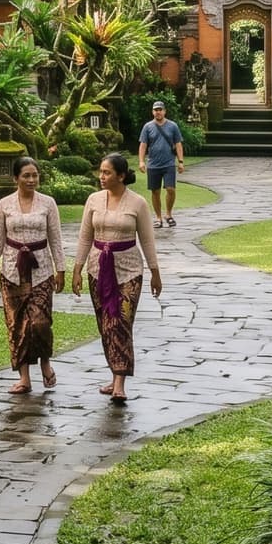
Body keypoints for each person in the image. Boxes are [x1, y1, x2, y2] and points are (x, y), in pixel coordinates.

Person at [72, 153, 162, 403]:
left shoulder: (138, 203)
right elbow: (84, 237)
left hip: (129, 269)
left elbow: (147, 240)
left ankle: (120, 380)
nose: (101, 177)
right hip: (98, 268)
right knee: (105, 323)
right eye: (100, 172)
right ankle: (114, 373)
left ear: (121, 176)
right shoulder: (93, 200)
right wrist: (77, 269)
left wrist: (155, 272)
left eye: (107, 172)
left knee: (121, 321)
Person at [0, 155, 64, 394]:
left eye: (35, 175)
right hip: (11, 269)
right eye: (26, 175)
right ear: (16, 178)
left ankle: (45, 363)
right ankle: (24, 377)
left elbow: (56, 238)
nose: (31, 180)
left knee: (39, 322)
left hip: (41, 270)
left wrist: (61, 270)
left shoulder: (48, 203)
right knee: (17, 324)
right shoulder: (4, 205)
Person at [138, 99, 187, 227]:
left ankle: (169, 214)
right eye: (156, 110)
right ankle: (158, 217)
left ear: (164, 111)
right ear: (152, 112)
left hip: (169, 163)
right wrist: (141, 161)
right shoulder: (147, 127)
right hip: (153, 164)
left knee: (170, 189)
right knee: (155, 191)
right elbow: (143, 145)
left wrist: (180, 161)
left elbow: (178, 144)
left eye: (160, 110)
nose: (158, 112)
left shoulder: (173, 126)